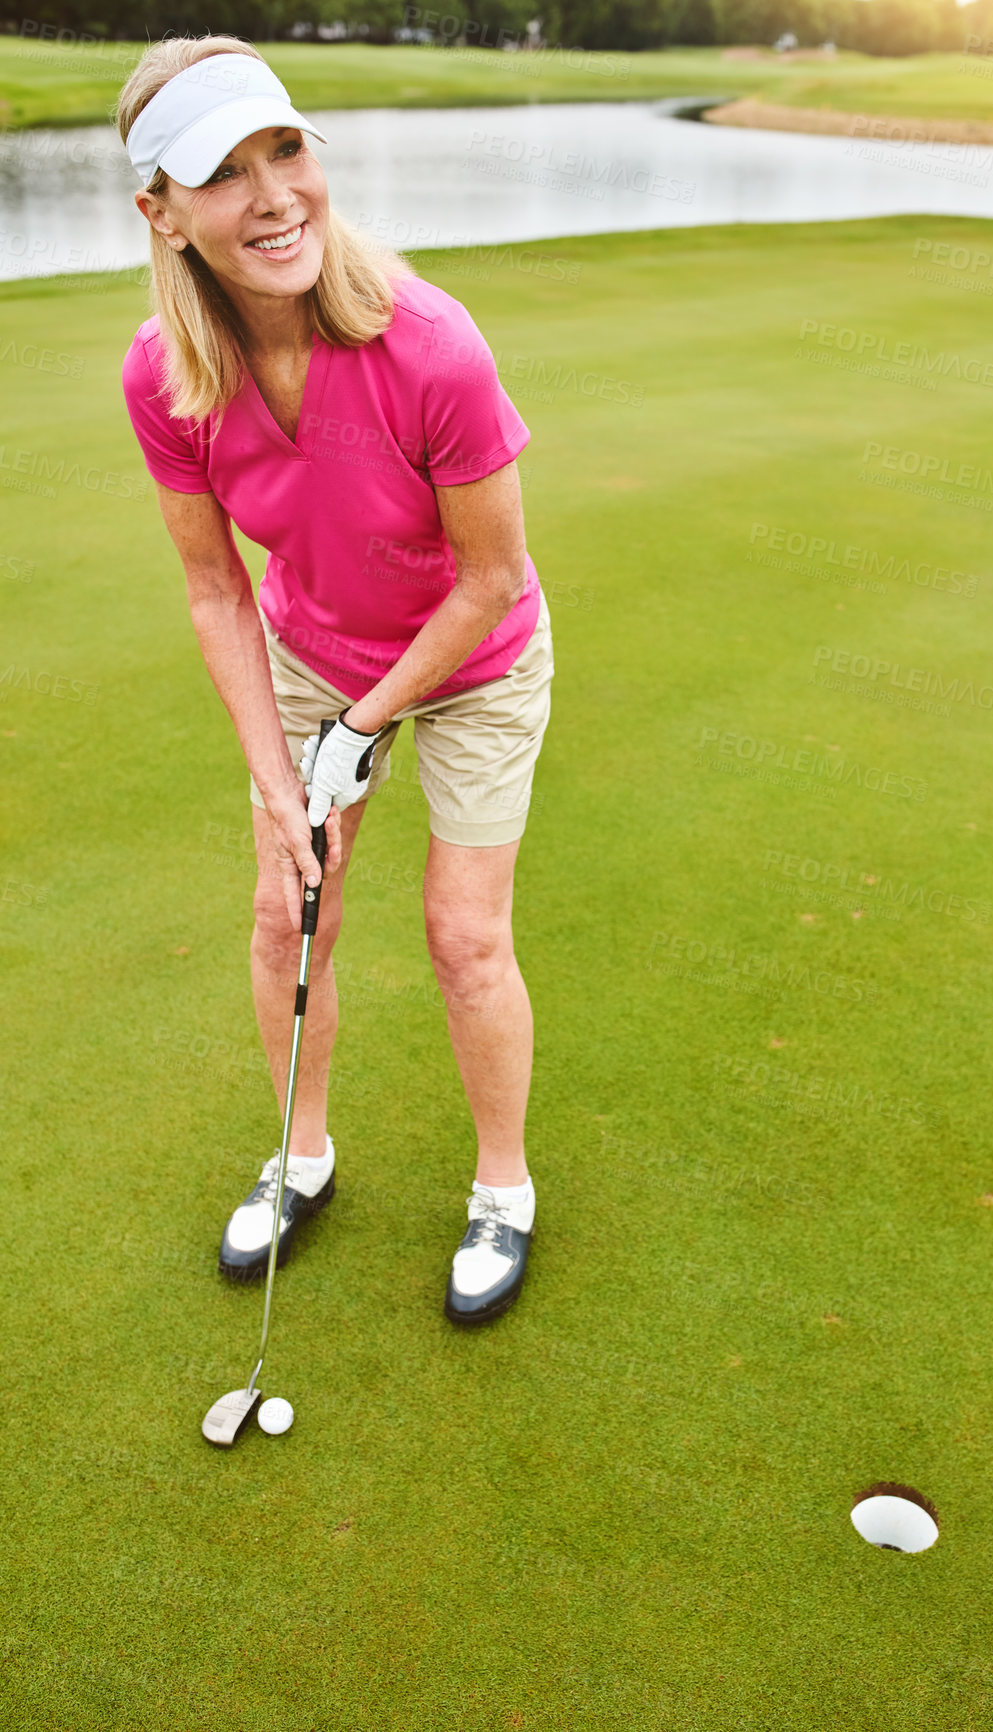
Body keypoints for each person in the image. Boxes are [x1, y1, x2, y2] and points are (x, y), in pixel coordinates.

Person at [117, 35, 552, 1326]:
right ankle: (302, 1159)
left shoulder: (429, 345)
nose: (273, 196)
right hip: (314, 652)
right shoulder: (167, 374)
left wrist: (361, 729)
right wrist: (276, 775)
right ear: (162, 212)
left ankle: (502, 1190)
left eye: (286, 149)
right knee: (284, 911)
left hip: (475, 661)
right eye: (224, 173)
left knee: (465, 937)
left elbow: (487, 576)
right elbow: (215, 587)